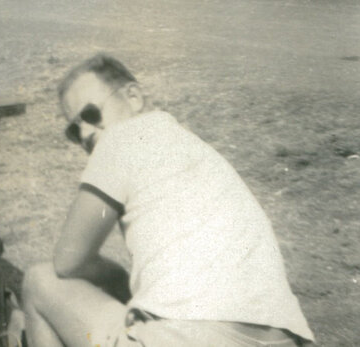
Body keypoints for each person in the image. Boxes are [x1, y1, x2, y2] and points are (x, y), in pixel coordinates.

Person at [22, 53, 314, 347]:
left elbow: (67, 262)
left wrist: (117, 277)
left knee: (40, 281)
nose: (84, 133)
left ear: (133, 96)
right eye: (74, 129)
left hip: (190, 339)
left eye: (90, 114)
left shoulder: (119, 139)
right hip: (285, 338)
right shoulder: (192, 148)